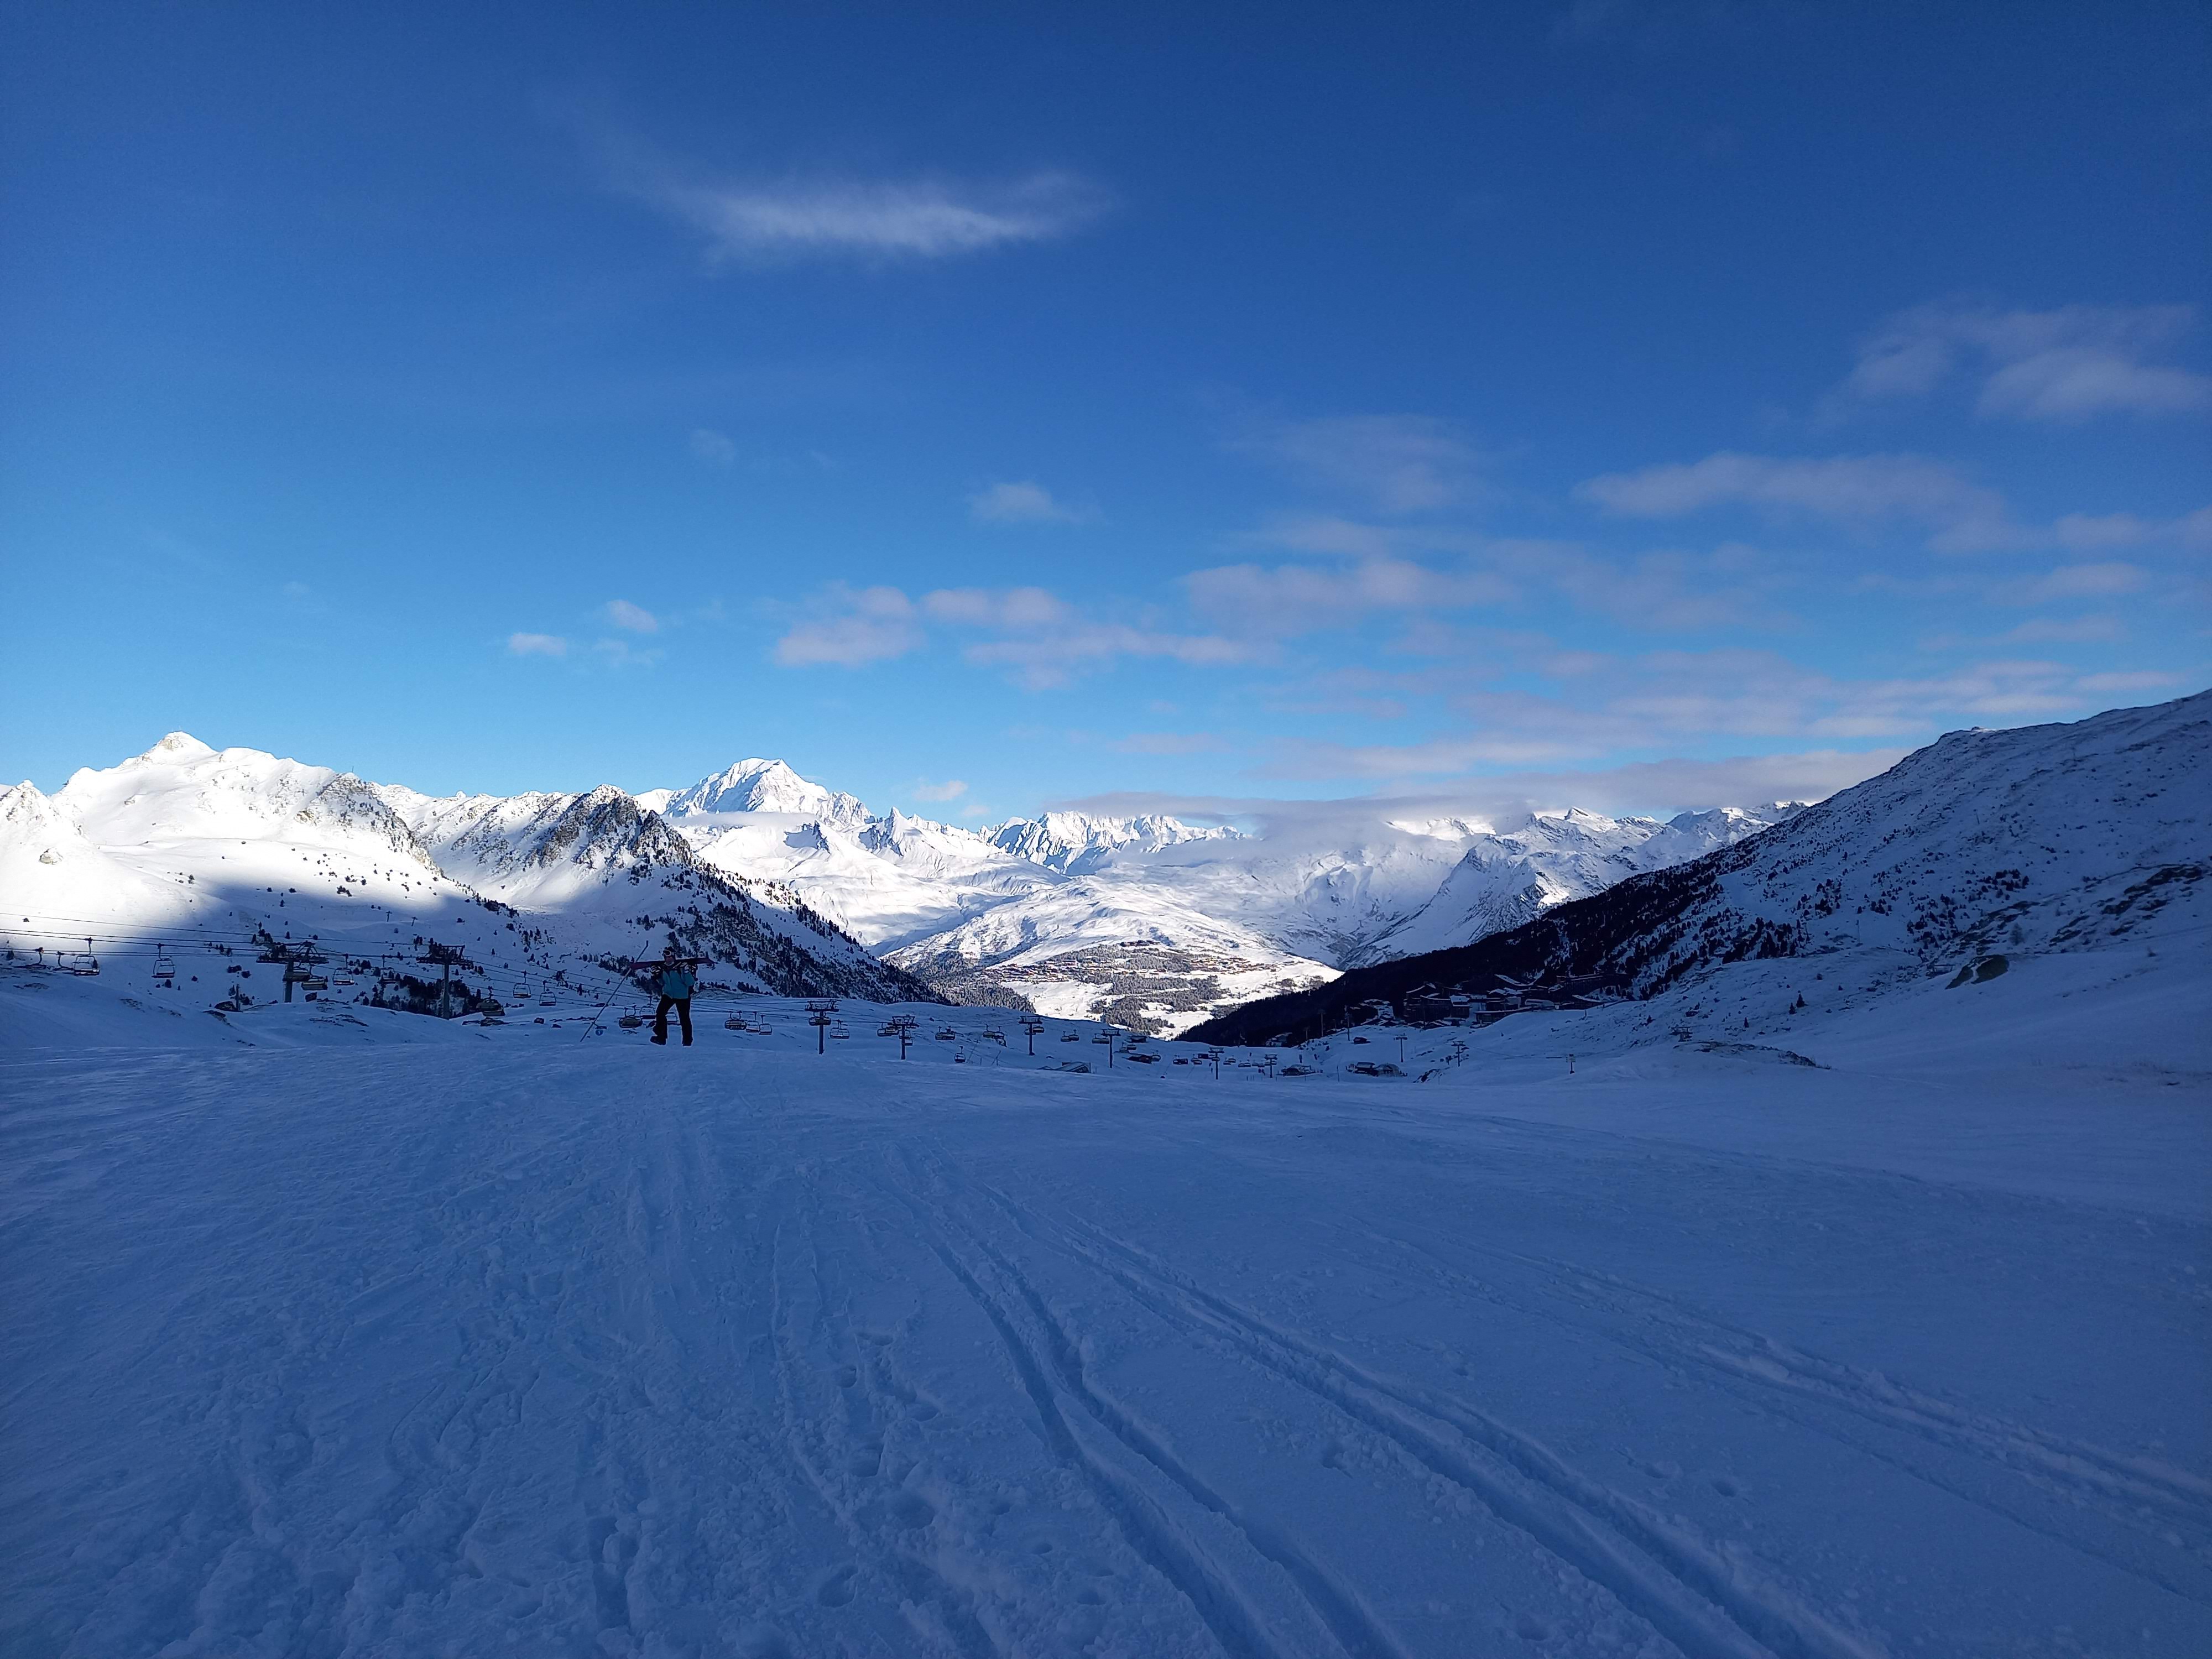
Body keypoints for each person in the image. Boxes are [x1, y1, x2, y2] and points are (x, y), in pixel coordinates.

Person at [650, 947, 697, 1046]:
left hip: (682, 996)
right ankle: (661, 1037)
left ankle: (687, 1042)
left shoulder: (681, 968)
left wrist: (687, 972)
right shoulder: (663, 968)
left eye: (670, 957)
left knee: (684, 1019)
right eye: (666, 957)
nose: (668, 959)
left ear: (674, 957)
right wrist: (657, 976)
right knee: (660, 1013)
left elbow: (690, 983)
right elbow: (663, 983)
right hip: (668, 994)